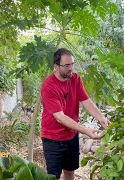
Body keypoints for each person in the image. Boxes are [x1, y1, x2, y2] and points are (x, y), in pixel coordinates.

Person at [41, 48, 110, 180]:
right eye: (67, 65)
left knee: (70, 171)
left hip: (71, 136)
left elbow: (86, 101)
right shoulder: (48, 86)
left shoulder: (76, 79)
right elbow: (60, 117)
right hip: (53, 138)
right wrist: (85, 130)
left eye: (72, 64)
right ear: (56, 66)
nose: (71, 68)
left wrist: (101, 118)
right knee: (53, 176)